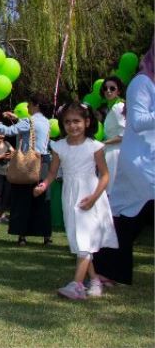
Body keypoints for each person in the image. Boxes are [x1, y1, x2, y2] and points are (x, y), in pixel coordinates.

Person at [34, 102, 118, 299]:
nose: (73, 126)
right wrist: (43, 185)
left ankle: (77, 285)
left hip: (91, 194)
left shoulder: (94, 147)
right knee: (79, 238)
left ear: (87, 122)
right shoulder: (59, 147)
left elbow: (104, 175)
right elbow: (53, 173)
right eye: (68, 122)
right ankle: (95, 279)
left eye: (77, 121)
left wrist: (94, 198)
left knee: (84, 239)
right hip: (70, 194)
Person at [93, 45, 155, 285]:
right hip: (140, 162)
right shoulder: (142, 83)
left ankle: (106, 270)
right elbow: (138, 121)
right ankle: (104, 269)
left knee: (126, 217)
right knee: (128, 215)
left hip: (146, 160)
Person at [0, 95, 52, 246]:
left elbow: (7, 130)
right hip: (43, 163)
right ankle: (46, 235)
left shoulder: (27, 121)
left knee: (23, 199)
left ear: (35, 105)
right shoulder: (46, 122)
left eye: (29, 105)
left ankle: (22, 235)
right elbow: (31, 128)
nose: (28, 108)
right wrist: (17, 118)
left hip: (28, 164)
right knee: (42, 201)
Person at [99, 76, 126, 191]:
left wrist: (103, 142)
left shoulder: (118, 107)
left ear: (118, 91)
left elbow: (123, 134)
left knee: (111, 188)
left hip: (115, 153)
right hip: (109, 151)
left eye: (112, 88)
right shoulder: (112, 107)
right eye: (105, 88)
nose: (108, 91)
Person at [0, 132, 14, 222]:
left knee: (6, 195)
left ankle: (2, 214)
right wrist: (2, 156)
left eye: (3, 134)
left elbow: (14, 152)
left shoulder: (7, 144)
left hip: (7, 173)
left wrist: (10, 156)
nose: (1, 136)